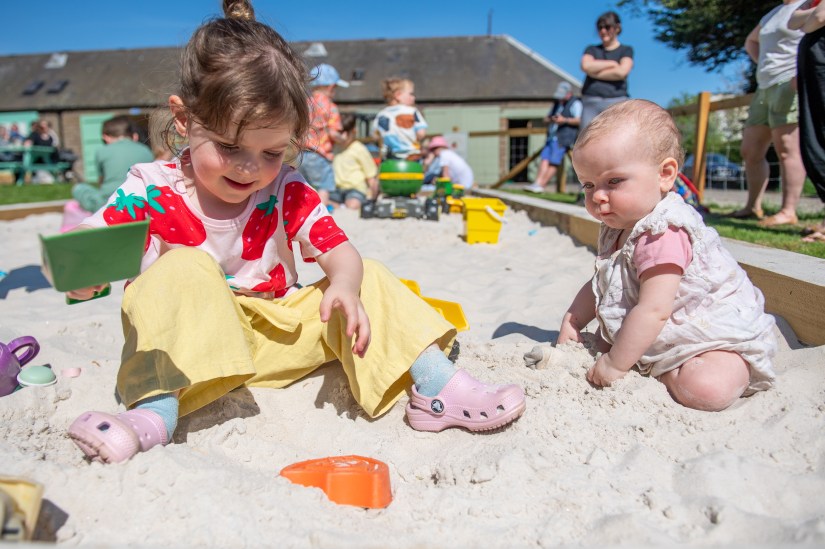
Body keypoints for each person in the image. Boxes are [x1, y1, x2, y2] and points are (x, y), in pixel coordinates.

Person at [62, 0, 526, 465]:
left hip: (276, 335)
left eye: (271, 152)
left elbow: (338, 250)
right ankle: (154, 416)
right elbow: (87, 250)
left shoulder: (286, 187)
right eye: (228, 146)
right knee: (179, 265)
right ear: (183, 120)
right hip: (189, 354)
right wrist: (81, 271)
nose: (250, 168)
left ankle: (437, 388)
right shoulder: (150, 189)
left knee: (371, 276)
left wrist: (344, 284)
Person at [557, 100, 776, 412]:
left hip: (707, 334)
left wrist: (616, 365)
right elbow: (603, 280)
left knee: (707, 389)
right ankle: (651, 361)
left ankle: (669, 373)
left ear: (665, 174)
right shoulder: (618, 224)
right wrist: (574, 318)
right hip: (659, 325)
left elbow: (654, 309)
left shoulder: (663, 232)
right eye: (588, 185)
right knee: (607, 342)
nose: (598, 196)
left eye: (614, 181)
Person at [728, 0, 807, 227]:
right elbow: (751, 42)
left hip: (789, 81)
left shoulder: (807, 5)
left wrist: (801, 70)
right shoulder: (772, 14)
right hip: (764, 86)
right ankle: (752, 206)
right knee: (750, 149)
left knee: (786, 148)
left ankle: (788, 210)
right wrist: (762, 63)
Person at [790, 0, 825, 242]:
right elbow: (793, 21)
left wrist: (806, 20)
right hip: (812, 67)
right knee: (813, 142)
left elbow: (817, 20)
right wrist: (807, 18)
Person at [71, 115, 154, 214]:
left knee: (79, 188)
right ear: (134, 136)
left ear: (106, 137)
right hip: (142, 201)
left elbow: (101, 182)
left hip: (110, 203)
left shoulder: (102, 151)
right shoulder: (146, 150)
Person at [298, 63, 348, 209]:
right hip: (320, 154)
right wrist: (342, 139)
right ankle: (322, 217)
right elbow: (333, 132)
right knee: (323, 187)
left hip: (301, 154)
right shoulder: (330, 106)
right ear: (331, 87)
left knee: (304, 188)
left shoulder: (305, 104)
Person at [579, 11, 634, 131]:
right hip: (590, 101)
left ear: (617, 27)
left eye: (607, 27)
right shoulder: (591, 49)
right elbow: (585, 66)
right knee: (587, 140)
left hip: (617, 101)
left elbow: (621, 72)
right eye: (600, 28)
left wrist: (594, 72)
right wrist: (613, 64)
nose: (603, 31)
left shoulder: (626, 50)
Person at [524, 81, 582, 193]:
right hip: (551, 137)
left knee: (554, 161)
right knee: (544, 159)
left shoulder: (576, 104)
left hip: (563, 138)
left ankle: (542, 185)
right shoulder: (557, 104)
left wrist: (564, 120)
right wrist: (551, 119)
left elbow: (579, 120)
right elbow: (545, 119)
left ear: (569, 94)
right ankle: (537, 183)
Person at [330, 113, 378, 209]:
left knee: (353, 204)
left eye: (345, 133)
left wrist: (373, 197)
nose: (341, 137)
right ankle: (341, 206)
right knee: (326, 203)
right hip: (336, 188)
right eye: (339, 132)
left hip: (355, 188)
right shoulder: (334, 146)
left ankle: (345, 206)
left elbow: (371, 176)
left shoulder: (359, 148)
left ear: (353, 131)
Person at [372, 77, 427, 160]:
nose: (414, 98)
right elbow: (421, 133)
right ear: (398, 95)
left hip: (389, 159)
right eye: (411, 94)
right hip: (411, 157)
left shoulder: (381, 115)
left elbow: (375, 136)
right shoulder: (412, 112)